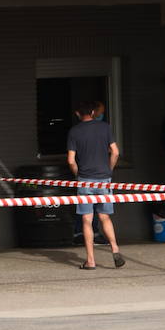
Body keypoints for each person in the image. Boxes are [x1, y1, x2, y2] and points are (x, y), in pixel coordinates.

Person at [66, 101, 125, 270]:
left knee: (87, 220)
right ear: (93, 112)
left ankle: (90, 261)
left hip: (85, 180)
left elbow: (70, 160)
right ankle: (115, 248)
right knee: (105, 216)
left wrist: (77, 174)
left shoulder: (74, 132)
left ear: (78, 114)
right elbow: (115, 152)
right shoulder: (105, 127)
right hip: (104, 179)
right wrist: (109, 169)